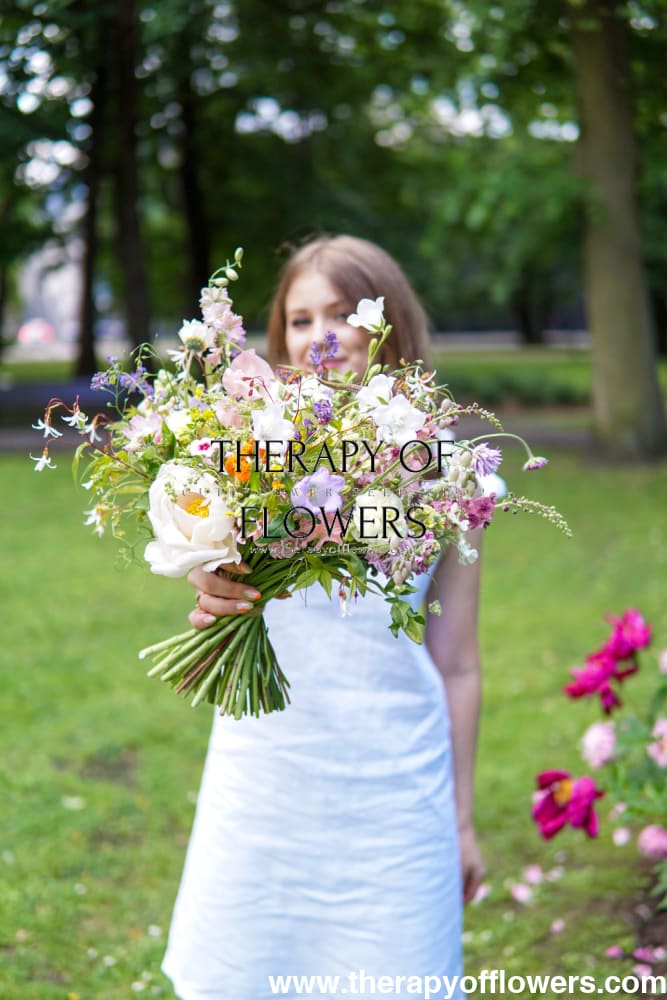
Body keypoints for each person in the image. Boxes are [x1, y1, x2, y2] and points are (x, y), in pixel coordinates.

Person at [161, 235, 486, 1000]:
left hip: (391, 779)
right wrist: (206, 577)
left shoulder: (445, 473)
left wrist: (461, 820)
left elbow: (460, 661)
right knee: (246, 970)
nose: (322, 337)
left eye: (344, 313)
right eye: (300, 320)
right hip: (267, 771)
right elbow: (208, 579)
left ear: (390, 326)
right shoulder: (244, 456)